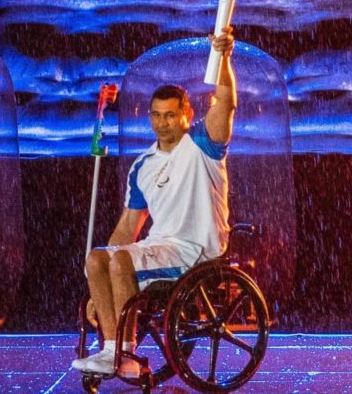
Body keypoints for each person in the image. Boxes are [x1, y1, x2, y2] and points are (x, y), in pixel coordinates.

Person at [72, 32, 236, 377]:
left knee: (121, 263)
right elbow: (128, 225)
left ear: (186, 114)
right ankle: (111, 351)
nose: (163, 123)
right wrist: (95, 285)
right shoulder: (142, 166)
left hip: (197, 250)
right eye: (157, 115)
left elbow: (225, 102)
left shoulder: (203, 147)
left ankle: (125, 354)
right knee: (98, 258)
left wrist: (223, 59)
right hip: (160, 248)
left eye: (171, 115)